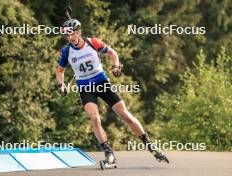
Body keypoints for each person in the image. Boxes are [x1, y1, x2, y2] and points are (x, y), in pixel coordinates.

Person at [55, 19, 169, 165]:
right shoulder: (66, 51)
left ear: (78, 32)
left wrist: (115, 66)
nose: (69, 38)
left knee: (125, 115)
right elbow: (59, 71)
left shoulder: (93, 43)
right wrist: (62, 85)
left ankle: (151, 147)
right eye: (67, 35)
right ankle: (109, 154)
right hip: (85, 88)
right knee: (94, 118)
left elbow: (112, 53)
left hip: (102, 83)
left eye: (71, 34)